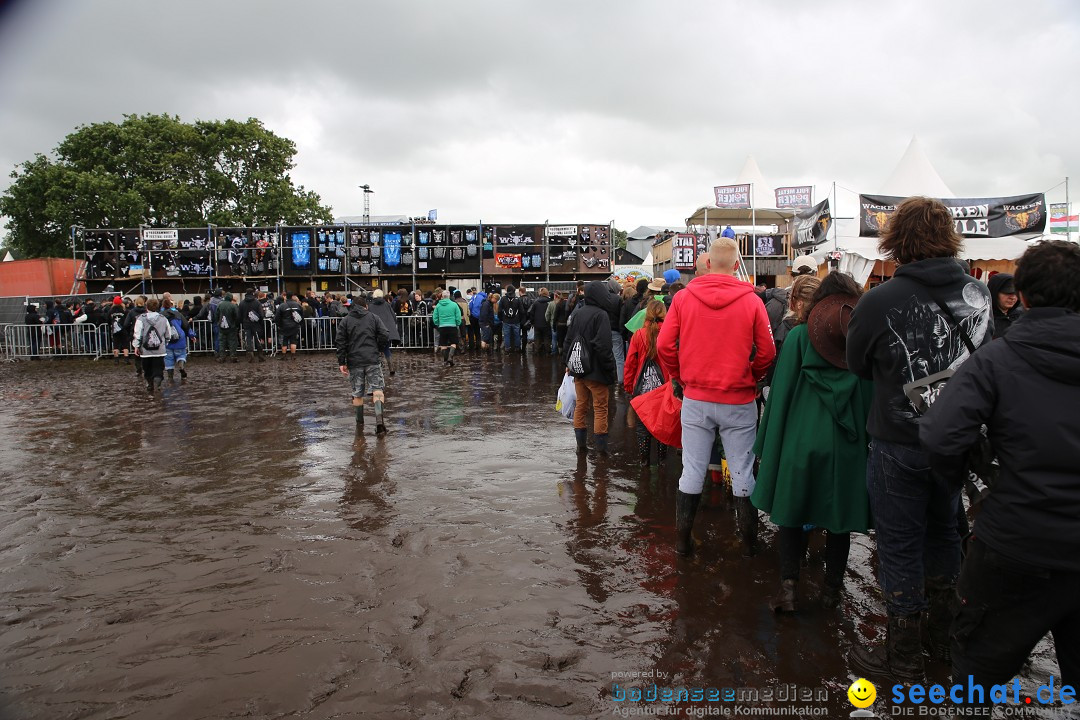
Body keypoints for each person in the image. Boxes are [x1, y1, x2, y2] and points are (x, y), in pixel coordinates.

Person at [919, 240, 1080, 705]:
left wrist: (968, 480)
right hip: (1032, 537)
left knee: (975, 671)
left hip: (1014, 539)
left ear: (1023, 295)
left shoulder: (998, 359)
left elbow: (940, 435)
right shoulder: (999, 357)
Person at [845, 196, 992, 683]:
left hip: (898, 439)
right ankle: (942, 636)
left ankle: (904, 655)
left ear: (897, 240)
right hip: (956, 440)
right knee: (945, 531)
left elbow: (858, 363)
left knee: (900, 542)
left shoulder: (878, 299)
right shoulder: (979, 294)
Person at [751, 272, 873, 613]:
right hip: (846, 447)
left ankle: (789, 590)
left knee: (791, 514)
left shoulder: (799, 338)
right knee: (839, 522)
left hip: (798, 443)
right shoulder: (860, 343)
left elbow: (780, 400)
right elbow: (868, 400)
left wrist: (767, 450)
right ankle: (832, 591)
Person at [656, 236, 775, 558]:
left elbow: (665, 347)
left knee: (692, 468)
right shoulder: (751, 301)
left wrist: (680, 376)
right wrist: (752, 375)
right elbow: (767, 351)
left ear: (708, 264)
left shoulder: (683, 299)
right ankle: (749, 545)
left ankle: (683, 543)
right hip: (738, 400)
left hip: (696, 397)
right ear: (736, 265)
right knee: (741, 469)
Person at [563, 281, 617, 453]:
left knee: (581, 405)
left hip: (579, 369)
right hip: (596, 371)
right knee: (600, 408)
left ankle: (581, 446)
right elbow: (603, 347)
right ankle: (601, 450)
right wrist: (610, 370)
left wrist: (567, 363)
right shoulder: (601, 315)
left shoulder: (578, 313)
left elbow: (568, 340)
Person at [335, 294, 390, 435]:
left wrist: (342, 361)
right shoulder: (373, 318)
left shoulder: (345, 321)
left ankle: (360, 424)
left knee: (357, 393)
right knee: (378, 389)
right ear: (366, 306)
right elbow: (384, 334)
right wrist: (378, 348)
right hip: (372, 359)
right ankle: (379, 421)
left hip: (354, 361)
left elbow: (340, 342)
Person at [623, 299, 668, 465]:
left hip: (642, 387)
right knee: (662, 424)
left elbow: (630, 364)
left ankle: (644, 461)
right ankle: (662, 461)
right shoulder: (669, 334)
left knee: (643, 427)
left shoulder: (638, 335)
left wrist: (629, 386)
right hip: (664, 387)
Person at [133, 298, 176, 396]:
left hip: (145, 350)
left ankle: (149, 383)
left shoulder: (141, 318)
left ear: (146, 306)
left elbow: (138, 334)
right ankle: (158, 380)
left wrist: (136, 346)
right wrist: (165, 343)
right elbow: (168, 334)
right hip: (159, 349)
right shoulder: (163, 318)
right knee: (158, 368)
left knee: (147, 368)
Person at [161, 293, 194, 381]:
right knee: (181, 354)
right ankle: (181, 365)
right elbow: (186, 326)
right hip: (180, 338)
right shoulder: (178, 314)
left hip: (167, 340)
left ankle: (170, 376)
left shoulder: (160, 315)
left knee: (168, 358)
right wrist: (191, 335)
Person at [368, 289, 401, 375]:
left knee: (375, 350)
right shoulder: (387, 305)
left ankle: (378, 369)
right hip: (387, 331)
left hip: (376, 332)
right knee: (386, 349)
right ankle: (391, 368)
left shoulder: (370, 306)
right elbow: (393, 316)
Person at [431, 289, 463, 366]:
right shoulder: (454, 305)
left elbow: (434, 317)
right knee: (453, 343)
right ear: (449, 296)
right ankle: (450, 357)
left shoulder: (438, 305)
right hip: (452, 326)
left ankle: (445, 360)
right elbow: (458, 316)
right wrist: (458, 323)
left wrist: (437, 323)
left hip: (442, 327)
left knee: (443, 344)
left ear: (442, 296)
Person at [986, 272, 1023, 338]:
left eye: (1015, 293)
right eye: (1008, 293)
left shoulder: (1022, 317)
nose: (1013, 297)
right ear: (994, 293)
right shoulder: (984, 320)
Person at [238, 290, 266, 362]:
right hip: (256, 324)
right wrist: (260, 321)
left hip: (246, 324)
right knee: (257, 339)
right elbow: (261, 314)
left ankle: (250, 354)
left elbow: (239, 316)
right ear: (253, 293)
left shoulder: (242, 303)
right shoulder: (257, 302)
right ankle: (260, 355)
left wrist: (242, 322)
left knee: (248, 339)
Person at [123, 296, 147, 378]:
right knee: (146, 351)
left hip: (135, 333)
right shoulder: (147, 311)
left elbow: (126, 324)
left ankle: (139, 370)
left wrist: (130, 329)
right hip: (146, 333)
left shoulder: (131, 312)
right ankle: (146, 368)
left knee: (137, 352)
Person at [216, 292, 241, 363]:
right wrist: (236, 324)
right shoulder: (233, 306)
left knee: (222, 342)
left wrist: (218, 322)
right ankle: (233, 357)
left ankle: (222, 357)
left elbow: (216, 315)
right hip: (231, 327)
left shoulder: (219, 305)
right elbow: (237, 316)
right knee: (232, 342)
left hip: (221, 327)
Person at [276, 293, 304, 358]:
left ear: (286, 297)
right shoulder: (298, 305)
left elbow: (277, 317)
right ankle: (293, 355)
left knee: (284, 341)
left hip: (284, 326)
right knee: (293, 341)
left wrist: (279, 325)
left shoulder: (282, 305)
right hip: (295, 325)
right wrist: (299, 324)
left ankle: (284, 356)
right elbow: (302, 315)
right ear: (292, 297)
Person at [499, 284, 524, 353]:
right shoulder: (517, 299)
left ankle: (507, 348)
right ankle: (517, 348)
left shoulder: (503, 299)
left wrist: (501, 318)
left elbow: (499, 310)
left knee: (506, 335)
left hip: (506, 320)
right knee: (517, 335)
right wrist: (520, 319)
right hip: (516, 320)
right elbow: (522, 311)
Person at [529, 288, 552, 355]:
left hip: (537, 324)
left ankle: (537, 352)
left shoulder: (536, 302)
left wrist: (532, 322)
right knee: (547, 338)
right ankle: (547, 352)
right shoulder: (549, 302)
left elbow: (531, 313)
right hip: (547, 323)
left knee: (537, 338)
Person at [107, 296, 129, 365]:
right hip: (123, 329)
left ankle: (116, 360)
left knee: (116, 345)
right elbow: (127, 320)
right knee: (125, 344)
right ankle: (126, 359)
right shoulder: (124, 310)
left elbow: (108, 320)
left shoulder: (111, 310)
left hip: (115, 330)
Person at [467, 286, 487, 352]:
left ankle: (472, 346)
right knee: (479, 332)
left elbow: (470, 306)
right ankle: (480, 345)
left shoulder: (475, 297)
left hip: (473, 316)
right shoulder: (484, 298)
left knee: (473, 331)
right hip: (481, 317)